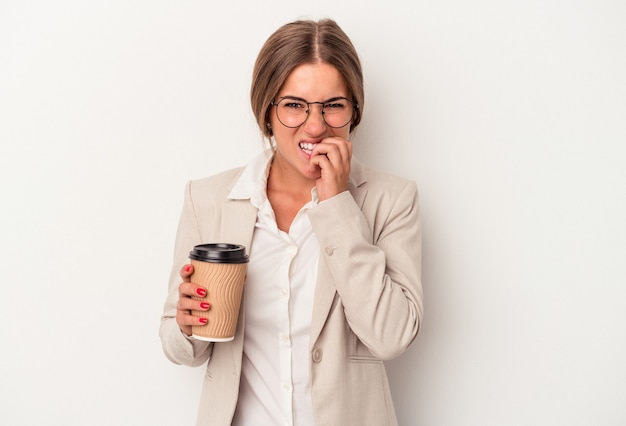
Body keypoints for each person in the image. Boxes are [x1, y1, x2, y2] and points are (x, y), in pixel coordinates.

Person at [160, 18, 423, 426]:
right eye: (294, 105)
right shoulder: (209, 199)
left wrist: (337, 205)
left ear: (354, 112)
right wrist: (187, 325)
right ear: (267, 111)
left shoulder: (391, 200)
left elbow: (391, 337)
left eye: (333, 105)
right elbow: (180, 349)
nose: (315, 126)